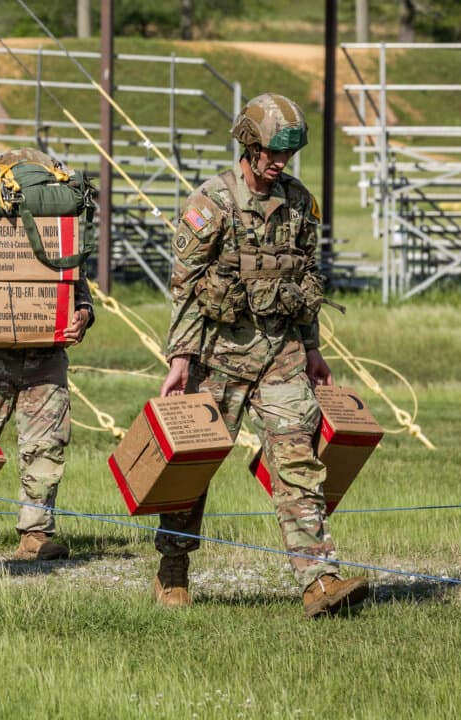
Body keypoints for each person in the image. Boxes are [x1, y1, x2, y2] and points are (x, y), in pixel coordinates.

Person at [157, 93, 368, 618]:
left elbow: (306, 282)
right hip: (218, 357)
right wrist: (180, 358)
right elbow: (184, 287)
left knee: (298, 460)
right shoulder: (211, 203)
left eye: (286, 155)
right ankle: (173, 568)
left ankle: (320, 579)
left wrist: (313, 347)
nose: (279, 163)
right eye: (271, 153)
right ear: (248, 146)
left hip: (282, 354)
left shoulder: (299, 203)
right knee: (194, 467)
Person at [0, 147, 95, 560]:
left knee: (47, 443)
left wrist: (82, 315)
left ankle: (36, 532)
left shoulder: (60, 228)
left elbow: (74, 285)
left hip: (46, 355)